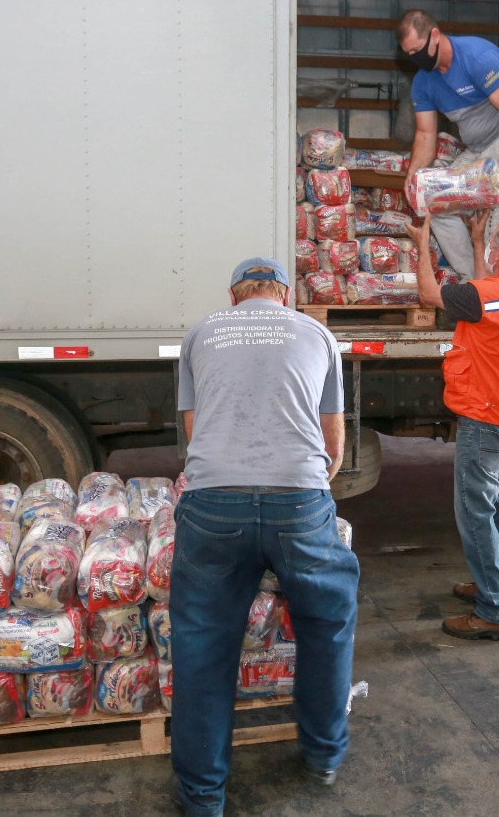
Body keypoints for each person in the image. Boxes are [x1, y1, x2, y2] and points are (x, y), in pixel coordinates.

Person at [170, 257, 360, 817]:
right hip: (298, 499)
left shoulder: (200, 333)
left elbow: (195, 436)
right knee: (327, 623)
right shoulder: (317, 334)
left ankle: (203, 795)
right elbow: (333, 447)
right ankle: (323, 755)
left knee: (203, 643)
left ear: (233, 297)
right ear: (284, 294)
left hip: (214, 504)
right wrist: (301, 491)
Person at [406, 211, 499, 640]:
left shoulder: (482, 297)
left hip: (486, 420)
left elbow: (429, 294)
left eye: (490, 245)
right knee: (497, 511)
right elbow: (489, 291)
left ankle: (495, 611)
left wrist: (421, 243)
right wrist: (475, 238)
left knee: (475, 516)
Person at [396, 9, 499, 282]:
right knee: (435, 204)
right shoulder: (423, 82)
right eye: (409, 54)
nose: (415, 58)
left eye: (417, 50)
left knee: (498, 212)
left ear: (435, 36)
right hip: (478, 148)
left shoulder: (477, 57)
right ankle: (476, 281)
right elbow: (426, 135)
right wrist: (412, 175)